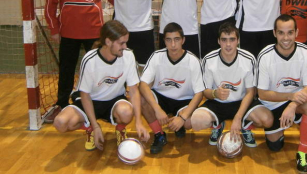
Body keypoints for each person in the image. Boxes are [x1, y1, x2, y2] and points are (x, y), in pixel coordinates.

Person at [44, 0, 115, 123]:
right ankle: (62, 103)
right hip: (68, 33)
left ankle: (98, 103)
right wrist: (54, 28)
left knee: (97, 70)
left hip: (94, 33)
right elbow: (50, 3)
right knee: (66, 70)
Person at [53, 20, 150, 151]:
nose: (125, 46)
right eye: (121, 43)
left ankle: (120, 129)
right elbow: (85, 95)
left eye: (126, 42)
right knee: (60, 123)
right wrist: (96, 126)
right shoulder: (90, 60)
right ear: (108, 42)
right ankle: (91, 128)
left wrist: (138, 122)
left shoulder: (128, 56)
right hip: (89, 101)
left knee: (126, 112)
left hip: (114, 100)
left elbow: (133, 90)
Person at [191, 22, 273, 148]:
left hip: (241, 102)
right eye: (224, 40)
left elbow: (251, 92)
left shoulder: (248, 58)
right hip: (218, 102)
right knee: (196, 121)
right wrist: (215, 93)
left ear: (238, 40)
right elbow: (205, 91)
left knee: (267, 120)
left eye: (232, 40)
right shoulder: (209, 59)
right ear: (218, 41)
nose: (228, 44)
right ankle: (217, 125)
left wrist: (238, 117)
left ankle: (246, 125)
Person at [257, 14, 307, 173]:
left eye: (290, 32)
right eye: (281, 33)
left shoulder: (305, 53)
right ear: (274, 33)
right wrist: (289, 96)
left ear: (297, 32)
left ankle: (303, 152)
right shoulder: (265, 56)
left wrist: (292, 105)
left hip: (297, 102)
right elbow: (262, 94)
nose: (286, 38)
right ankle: (281, 128)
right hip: (273, 104)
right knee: (275, 146)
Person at [139, 22, 205, 154]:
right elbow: (143, 85)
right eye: (169, 40)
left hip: (184, 99)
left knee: (189, 122)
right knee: (141, 99)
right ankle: (159, 135)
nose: (173, 45)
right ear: (164, 41)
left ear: (183, 40)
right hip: (162, 97)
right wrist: (157, 110)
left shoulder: (193, 60)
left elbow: (199, 93)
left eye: (176, 39)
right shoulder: (157, 56)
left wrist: (183, 117)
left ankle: (179, 123)